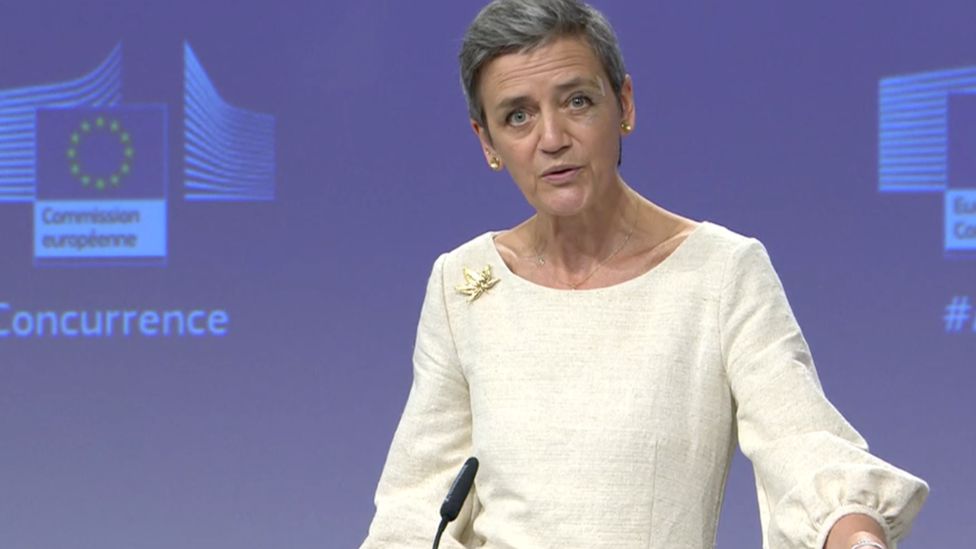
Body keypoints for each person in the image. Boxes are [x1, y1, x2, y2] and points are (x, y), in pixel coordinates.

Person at [362, 1, 928, 547]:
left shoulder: (721, 273)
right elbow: (416, 505)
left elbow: (803, 443)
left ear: (624, 105)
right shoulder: (462, 281)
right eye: (518, 116)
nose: (552, 139)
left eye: (577, 101)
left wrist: (857, 538)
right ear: (487, 141)